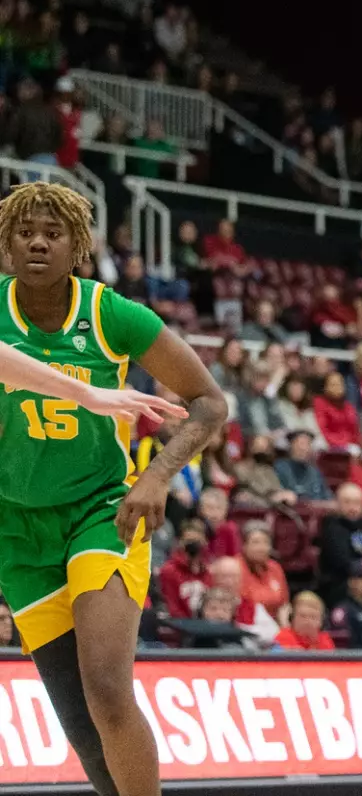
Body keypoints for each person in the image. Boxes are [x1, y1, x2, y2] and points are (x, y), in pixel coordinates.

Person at [0, 182, 224, 796]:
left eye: (53, 232)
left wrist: (155, 476)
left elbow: (210, 402)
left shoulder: (111, 314)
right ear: (5, 245)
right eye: (24, 232)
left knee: (105, 688)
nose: (38, 242)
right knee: (83, 731)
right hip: (16, 529)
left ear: (78, 246)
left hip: (101, 511)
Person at [239, 521, 289, 619]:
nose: (261, 548)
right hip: (245, 623)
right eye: (255, 542)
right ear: (244, 546)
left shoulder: (275, 568)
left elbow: (284, 604)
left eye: (266, 542)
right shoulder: (236, 568)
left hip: (273, 625)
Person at [275, 427, 332, 501]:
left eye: (308, 444)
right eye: (301, 443)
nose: (304, 448)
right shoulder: (280, 467)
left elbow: (327, 496)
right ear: (291, 445)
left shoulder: (315, 471)